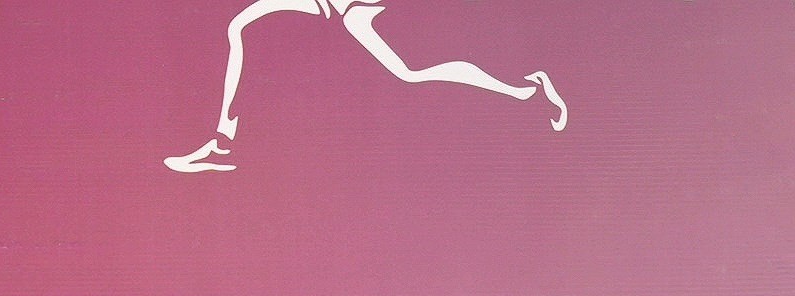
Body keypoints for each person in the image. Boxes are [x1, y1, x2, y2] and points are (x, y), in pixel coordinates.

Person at [165, 0, 566, 176]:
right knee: (241, 26)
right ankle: (224, 141)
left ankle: (526, 91)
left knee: (410, 73)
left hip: (356, 6)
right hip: (333, 2)